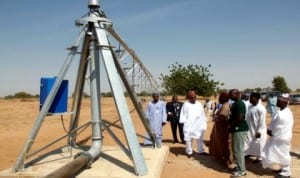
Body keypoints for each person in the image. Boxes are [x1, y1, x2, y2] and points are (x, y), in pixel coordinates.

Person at [261, 94, 294, 178]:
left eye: (279, 101)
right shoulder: (288, 111)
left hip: (280, 137)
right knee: (280, 153)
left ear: (284, 103)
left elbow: (275, 126)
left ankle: (286, 173)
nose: (277, 102)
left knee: (283, 154)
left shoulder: (280, 114)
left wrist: (269, 131)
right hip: (284, 136)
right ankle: (283, 169)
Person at [209, 92, 234, 169]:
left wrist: (215, 118)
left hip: (223, 130)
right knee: (221, 144)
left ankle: (229, 163)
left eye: (220, 97)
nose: (219, 99)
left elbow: (222, 117)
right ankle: (223, 159)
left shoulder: (225, 106)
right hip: (220, 129)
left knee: (226, 145)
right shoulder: (224, 105)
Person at [179, 90, 208, 156]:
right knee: (188, 139)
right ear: (188, 97)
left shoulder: (199, 104)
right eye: (191, 97)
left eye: (194, 97)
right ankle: (189, 152)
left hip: (198, 125)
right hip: (189, 125)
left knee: (200, 138)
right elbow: (183, 115)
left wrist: (204, 122)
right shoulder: (186, 104)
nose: (193, 98)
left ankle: (201, 151)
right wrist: (184, 123)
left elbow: (202, 114)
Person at [228, 89, 248, 177]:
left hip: (239, 129)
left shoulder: (240, 104)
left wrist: (231, 126)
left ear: (237, 94)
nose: (229, 96)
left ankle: (241, 171)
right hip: (236, 129)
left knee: (238, 150)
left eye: (231, 94)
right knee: (236, 150)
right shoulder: (235, 103)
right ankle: (239, 167)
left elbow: (240, 118)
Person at [244, 93, 267, 163]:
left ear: (256, 99)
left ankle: (259, 158)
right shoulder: (250, 107)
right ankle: (249, 153)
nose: (250, 99)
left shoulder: (261, 108)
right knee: (249, 141)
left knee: (259, 143)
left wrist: (259, 131)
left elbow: (262, 121)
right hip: (250, 128)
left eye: (251, 98)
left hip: (258, 129)